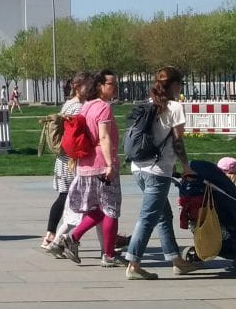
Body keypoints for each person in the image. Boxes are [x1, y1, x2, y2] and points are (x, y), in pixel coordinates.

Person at [124, 67, 198, 279]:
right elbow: (177, 141)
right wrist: (186, 167)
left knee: (163, 215)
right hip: (157, 171)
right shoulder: (175, 107)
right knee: (148, 217)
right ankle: (133, 264)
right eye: (180, 84)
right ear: (174, 85)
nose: (181, 88)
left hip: (138, 167)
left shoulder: (148, 103)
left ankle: (176, 260)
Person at [55, 70, 124, 267]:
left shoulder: (86, 106)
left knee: (99, 209)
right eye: (111, 84)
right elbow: (104, 136)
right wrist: (110, 164)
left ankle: (73, 238)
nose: (115, 88)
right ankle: (108, 255)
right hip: (102, 165)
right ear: (100, 86)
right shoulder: (103, 107)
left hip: (86, 164)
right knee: (111, 210)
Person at [43, 73, 92, 250]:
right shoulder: (77, 107)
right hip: (70, 161)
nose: (91, 88)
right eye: (88, 85)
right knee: (69, 199)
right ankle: (54, 237)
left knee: (65, 198)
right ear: (77, 86)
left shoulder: (69, 104)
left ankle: (52, 235)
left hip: (65, 159)